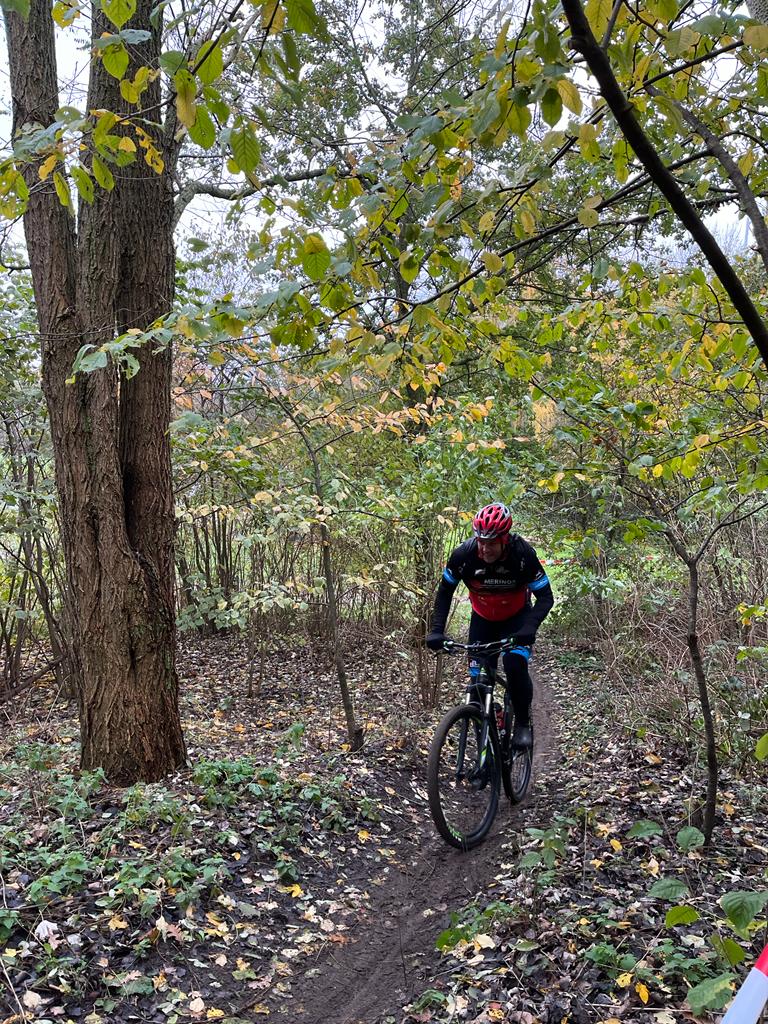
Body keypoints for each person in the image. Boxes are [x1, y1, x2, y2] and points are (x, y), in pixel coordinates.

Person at [426, 502, 554, 747]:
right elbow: (444, 593)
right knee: (477, 684)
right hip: (482, 620)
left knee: (514, 664)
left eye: (491, 543)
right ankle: (485, 746)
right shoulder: (463, 555)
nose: (485, 549)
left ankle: (523, 723)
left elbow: (546, 597)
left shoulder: (522, 554)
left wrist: (530, 628)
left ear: (505, 539)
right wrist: (436, 631)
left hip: (516, 619)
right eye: (481, 541)